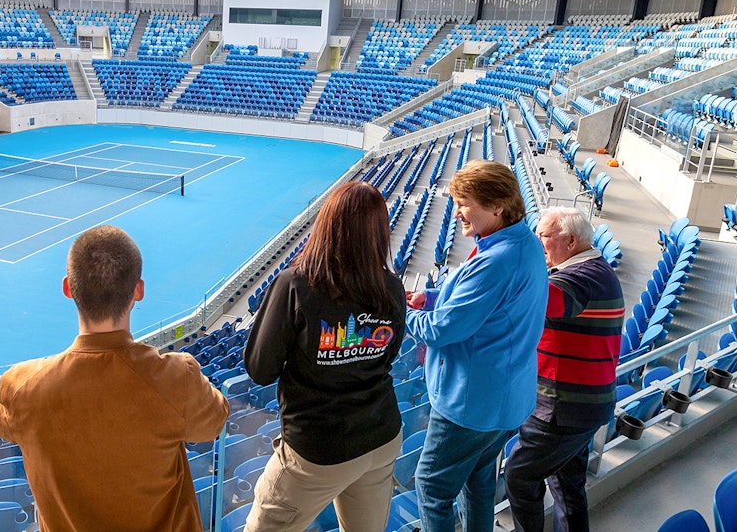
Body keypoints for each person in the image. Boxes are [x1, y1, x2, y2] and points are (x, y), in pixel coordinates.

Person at [0, 225, 229, 532]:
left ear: (69, 288)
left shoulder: (25, 387)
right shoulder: (178, 378)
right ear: (139, 290)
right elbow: (214, 420)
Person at [243, 181, 407, 532]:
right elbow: (388, 355)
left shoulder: (296, 285)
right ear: (379, 233)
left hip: (318, 449)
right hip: (381, 437)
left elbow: (260, 369)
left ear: (327, 226)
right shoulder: (392, 288)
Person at [405, 160, 548, 532]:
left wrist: (398, 312)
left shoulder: (496, 261)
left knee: (432, 486)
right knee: (479, 483)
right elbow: (488, 304)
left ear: (497, 205)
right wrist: (432, 296)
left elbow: (439, 332)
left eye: (465, 202)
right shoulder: (524, 242)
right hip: (505, 401)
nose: (457, 211)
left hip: (472, 405)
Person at [505, 207, 625, 532]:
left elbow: (529, 300)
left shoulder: (579, 279)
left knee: (518, 475)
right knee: (567, 487)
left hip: (562, 411)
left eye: (542, 236)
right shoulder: (597, 271)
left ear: (570, 241)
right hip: (586, 406)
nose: (537, 242)